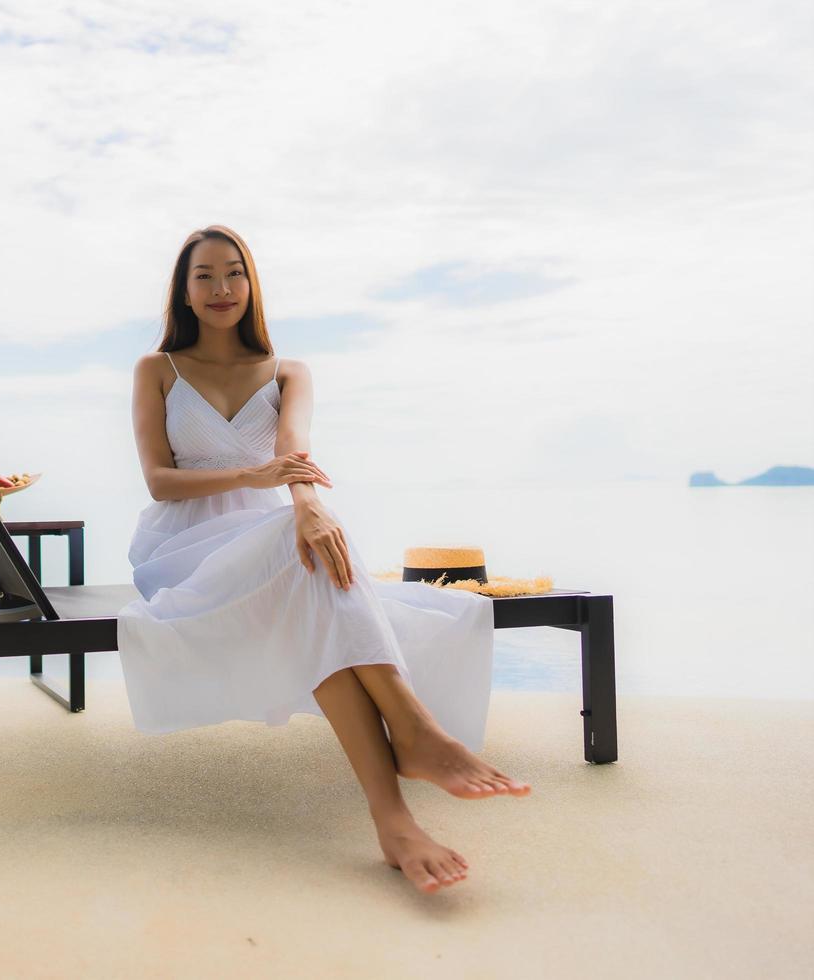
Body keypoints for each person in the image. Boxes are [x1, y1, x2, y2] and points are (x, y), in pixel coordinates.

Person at [116, 225, 530, 896]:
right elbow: (160, 480)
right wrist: (261, 483)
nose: (221, 288)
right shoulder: (156, 370)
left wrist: (308, 504)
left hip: (278, 544)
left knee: (310, 575)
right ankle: (415, 731)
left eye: (234, 273)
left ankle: (393, 820)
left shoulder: (287, 372)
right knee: (302, 553)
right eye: (204, 276)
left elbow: (295, 452)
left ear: (252, 285)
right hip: (184, 551)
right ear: (184, 292)